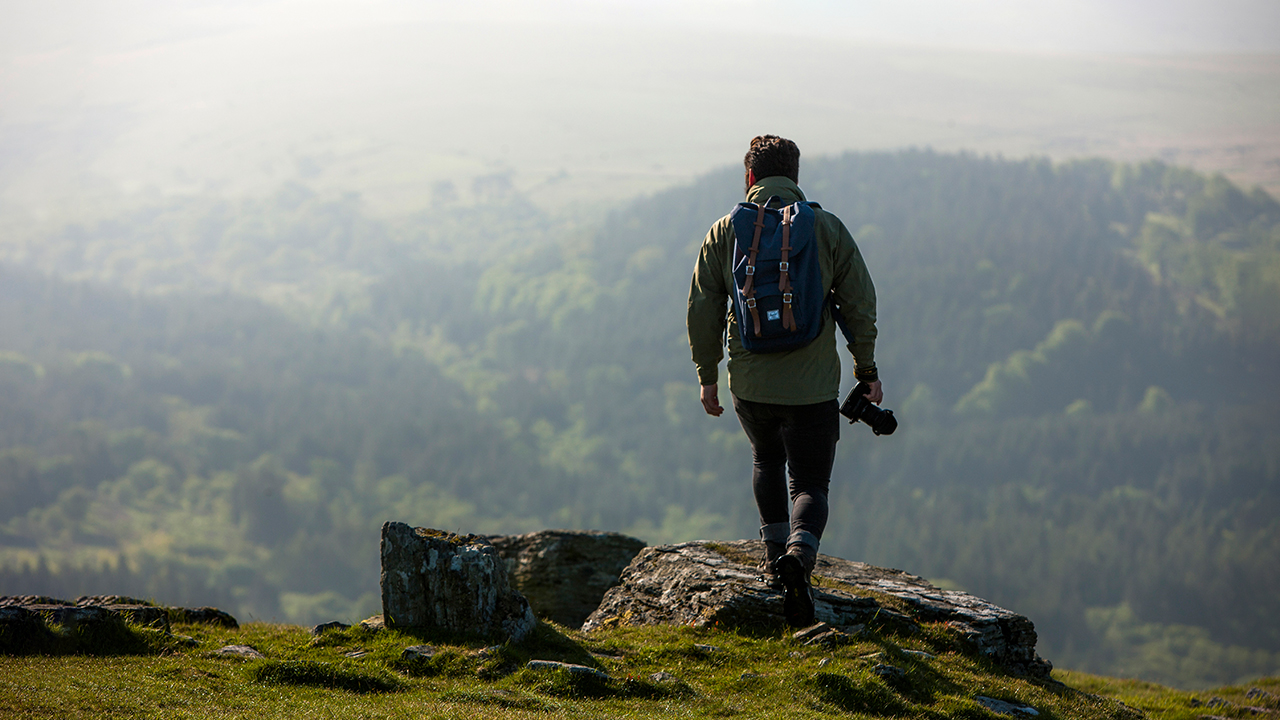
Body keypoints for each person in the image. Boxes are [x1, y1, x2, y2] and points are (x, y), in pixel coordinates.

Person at [686, 135, 881, 627]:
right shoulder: (826, 229)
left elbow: (703, 308)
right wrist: (866, 370)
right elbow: (860, 304)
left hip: (749, 384)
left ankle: (775, 563)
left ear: (749, 177)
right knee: (810, 482)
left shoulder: (724, 231)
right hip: (812, 387)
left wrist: (707, 377)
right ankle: (800, 556)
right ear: (795, 178)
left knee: (766, 459)